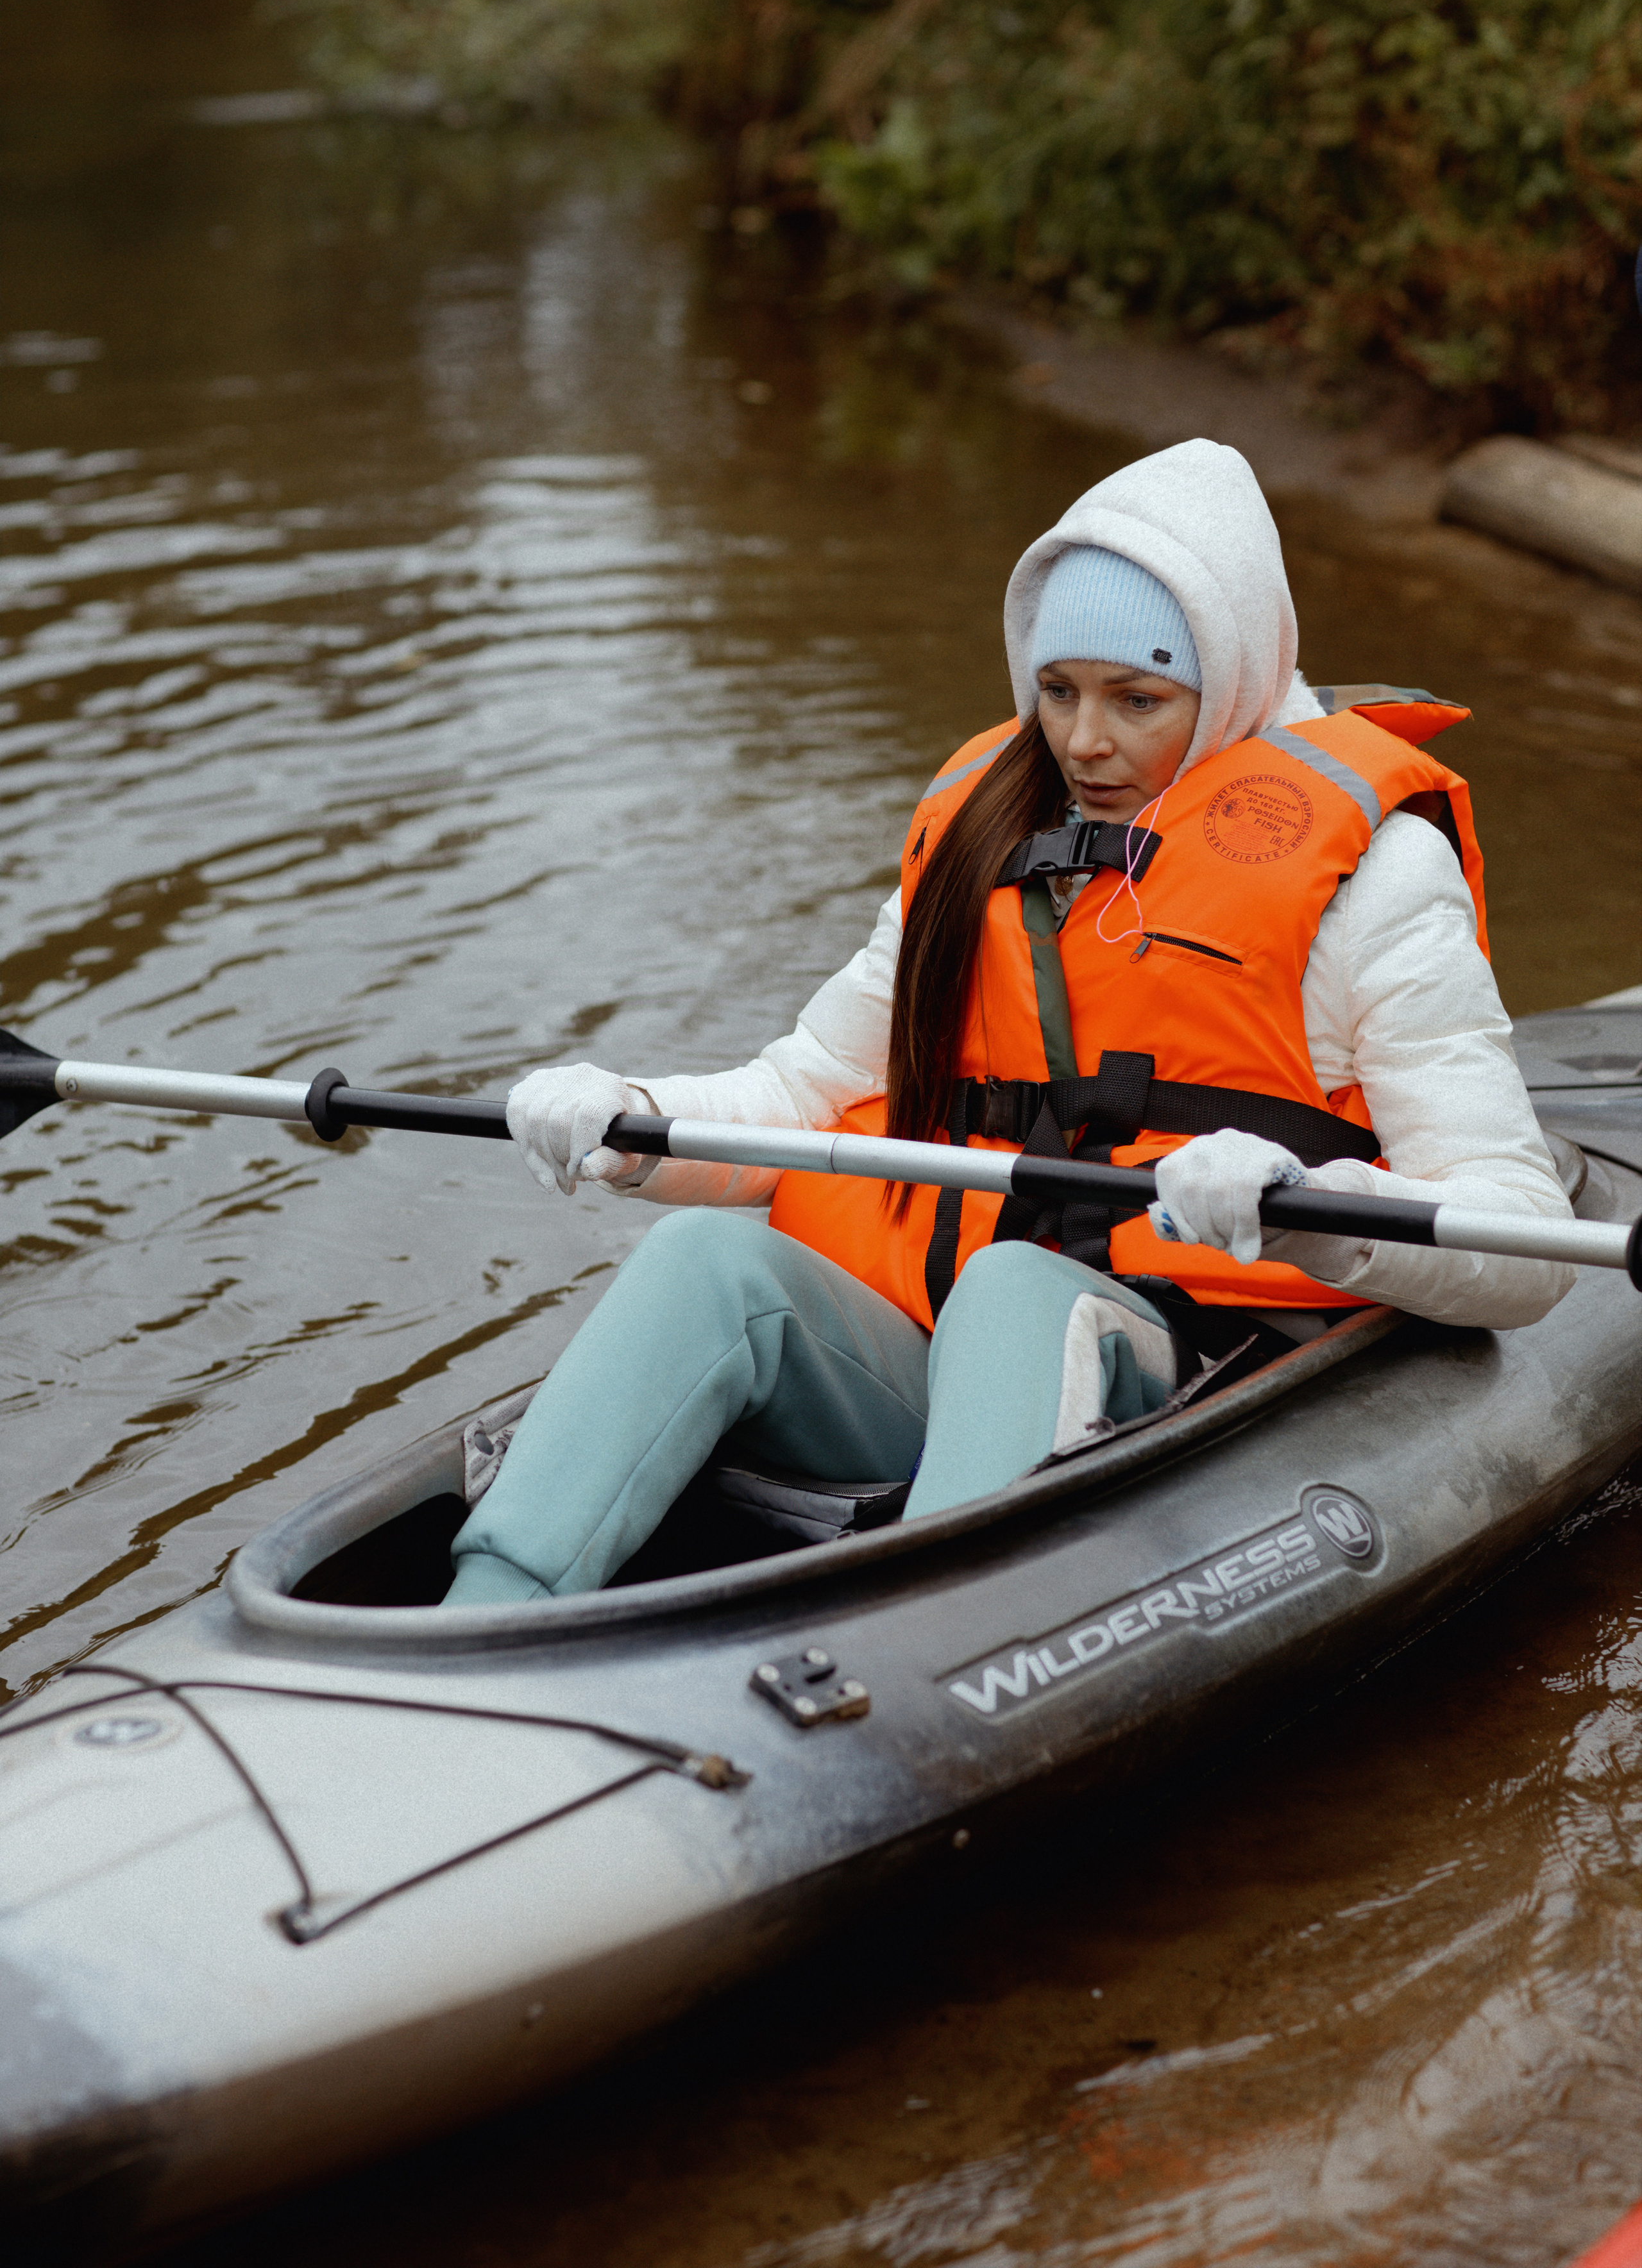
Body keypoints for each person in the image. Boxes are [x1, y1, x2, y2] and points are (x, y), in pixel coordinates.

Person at [445, 439, 1573, 1606]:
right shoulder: (981, 846)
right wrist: (630, 1121)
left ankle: (922, 1636)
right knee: (707, 1260)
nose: (1085, 742)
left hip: (1205, 1379)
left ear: (1227, 684)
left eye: (1139, 700)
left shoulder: (1373, 883)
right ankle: (489, 1607)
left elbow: (1522, 1241)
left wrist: (1308, 1213)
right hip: (961, 1368)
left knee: (1015, 1287)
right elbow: (801, 1098)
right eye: (1058, 690)